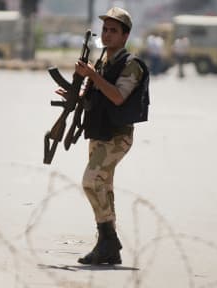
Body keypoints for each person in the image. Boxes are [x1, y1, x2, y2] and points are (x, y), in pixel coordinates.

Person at [55, 6, 149, 265]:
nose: (107, 35)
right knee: (103, 187)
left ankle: (108, 239)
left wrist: (92, 75)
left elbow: (118, 97)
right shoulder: (103, 61)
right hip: (99, 131)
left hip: (117, 136)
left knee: (90, 181)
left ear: (125, 36)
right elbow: (97, 94)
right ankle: (108, 246)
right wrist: (75, 93)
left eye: (113, 31)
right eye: (105, 30)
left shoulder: (131, 65)